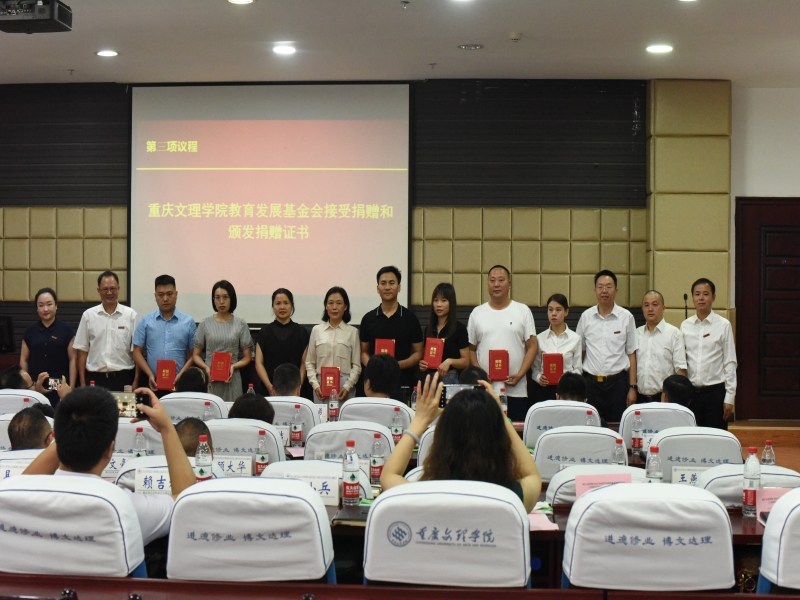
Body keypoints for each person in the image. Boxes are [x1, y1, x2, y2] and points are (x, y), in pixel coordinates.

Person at [22, 386, 195, 546]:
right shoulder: (125, 506)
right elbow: (185, 504)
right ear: (109, 449)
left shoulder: (22, 500)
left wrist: (69, 429)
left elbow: (22, 484)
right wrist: (167, 428)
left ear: (56, 438)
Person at [381, 373, 542, 513]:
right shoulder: (513, 497)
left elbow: (389, 475)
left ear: (441, 440)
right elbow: (532, 475)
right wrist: (501, 416)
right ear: (499, 441)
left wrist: (420, 421)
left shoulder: (420, 496)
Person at [467, 265, 537, 421]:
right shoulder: (477, 313)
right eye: (492, 281)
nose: (496, 284)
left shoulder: (522, 310)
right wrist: (481, 374)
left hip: (516, 390)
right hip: (486, 389)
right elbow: (471, 350)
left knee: (514, 432)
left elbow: (532, 347)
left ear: (509, 284)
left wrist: (520, 374)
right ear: (487, 285)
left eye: (501, 280)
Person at [576, 270, 638, 423]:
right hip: (591, 385)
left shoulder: (626, 317)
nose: (604, 291)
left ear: (616, 291)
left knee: (617, 427)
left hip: (618, 385)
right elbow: (580, 351)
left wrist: (632, 387)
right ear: (595, 291)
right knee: (590, 427)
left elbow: (631, 353)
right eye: (600, 287)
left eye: (609, 287)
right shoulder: (586, 317)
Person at [680, 278, 737, 429]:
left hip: (715, 394)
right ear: (692, 297)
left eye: (706, 294)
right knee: (691, 438)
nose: (701, 298)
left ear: (713, 297)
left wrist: (730, 397)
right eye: (697, 294)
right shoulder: (685, 326)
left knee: (715, 438)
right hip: (691, 395)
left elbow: (730, 362)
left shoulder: (723, 325)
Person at [360, 266, 423, 398]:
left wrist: (396, 366)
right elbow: (364, 352)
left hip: (401, 383)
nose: (387, 287)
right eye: (383, 283)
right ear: (378, 288)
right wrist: (375, 367)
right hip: (374, 384)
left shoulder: (410, 319)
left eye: (392, 283)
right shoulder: (368, 319)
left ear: (399, 287)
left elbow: (418, 352)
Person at [73, 271, 138, 391]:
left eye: (113, 289)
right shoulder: (88, 316)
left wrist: (136, 381)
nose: (109, 293)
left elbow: (136, 351)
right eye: (105, 289)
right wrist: (82, 382)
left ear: (119, 289)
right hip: (95, 379)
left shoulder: (130, 315)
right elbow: (82, 351)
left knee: (124, 405)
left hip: (124, 378)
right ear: (98, 290)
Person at [132, 275, 197, 395]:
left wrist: (181, 375)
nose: (165, 299)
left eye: (169, 294)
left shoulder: (188, 322)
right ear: (155, 296)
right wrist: (150, 374)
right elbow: (136, 352)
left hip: (180, 385)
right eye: (161, 295)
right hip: (153, 384)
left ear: (176, 294)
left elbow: (194, 355)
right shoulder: (146, 321)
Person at [192, 280, 252, 403]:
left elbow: (247, 357)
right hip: (211, 378)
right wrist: (206, 367)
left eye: (225, 297)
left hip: (232, 377)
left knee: (233, 411)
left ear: (232, 299)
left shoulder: (240, 324)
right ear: (213, 300)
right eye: (217, 297)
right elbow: (196, 355)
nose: (221, 301)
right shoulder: (205, 324)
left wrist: (233, 366)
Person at [20, 288, 76, 407]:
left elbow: (73, 359)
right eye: (41, 305)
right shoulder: (30, 331)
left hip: (60, 387)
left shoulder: (66, 330)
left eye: (49, 304)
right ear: (37, 308)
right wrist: (28, 387)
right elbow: (24, 360)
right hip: (35, 387)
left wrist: (71, 387)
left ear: (56, 306)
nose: (45, 309)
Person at [306, 286, 361, 401]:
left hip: (344, 388)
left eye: (339, 303)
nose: (334, 307)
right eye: (330, 303)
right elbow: (309, 362)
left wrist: (347, 386)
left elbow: (356, 366)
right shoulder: (317, 330)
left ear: (345, 306)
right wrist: (315, 385)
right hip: (320, 387)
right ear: (326, 306)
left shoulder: (353, 332)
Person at [254, 288, 310, 397]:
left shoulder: (301, 332)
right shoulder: (264, 332)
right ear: (273, 306)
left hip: (297, 392)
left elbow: (304, 363)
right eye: (278, 303)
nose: (282, 307)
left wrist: (297, 387)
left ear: (292, 305)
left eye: (286, 303)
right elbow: (258, 363)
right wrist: (270, 387)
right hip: (270, 390)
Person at [636, 290, 687, 403]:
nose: (650, 309)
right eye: (646, 305)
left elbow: (681, 371)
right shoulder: (636, 333)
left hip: (665, 399)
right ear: (642, 309)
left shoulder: (674, 334)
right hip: (640, 398)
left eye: (655, 304)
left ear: (663, 308)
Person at [532, 294, 582, 402]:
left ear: (566, 312)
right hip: (544, 390)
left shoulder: (575, 338)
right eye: (550, 310)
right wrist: (539, 378)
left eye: (558, 310)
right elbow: (535, 369)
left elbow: (578, 369)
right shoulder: (539, 338)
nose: (553, 313)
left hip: (568, 391)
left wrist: (568, 378)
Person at [419, 283, 469, 385]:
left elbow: (466, 361)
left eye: (444, 300)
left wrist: (450, 361)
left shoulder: (459, 328)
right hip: (431, 378)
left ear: (451, 303)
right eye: (436, 300)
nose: (439, 304)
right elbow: (426, 357)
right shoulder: (429, 329)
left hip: (450, 378)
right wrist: (423, 364)